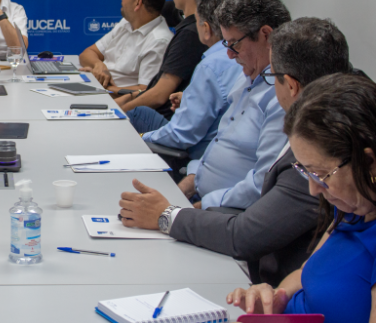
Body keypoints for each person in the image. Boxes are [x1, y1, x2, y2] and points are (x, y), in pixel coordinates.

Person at [119, 18, 351, 287]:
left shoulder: (319, 153)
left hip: (261, 270)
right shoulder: (336, 118)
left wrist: (167, 215)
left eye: (271, 77)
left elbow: (246, 235)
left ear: (291, 85)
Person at [224, 74, 376, 323]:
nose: (313, 189)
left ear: (369, 162)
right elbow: (305, 273)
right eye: (306, 172)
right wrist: (275, 300)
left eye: (321, 174)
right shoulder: (354, 208)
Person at [131, 0, 292, 211]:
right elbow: (220, 142)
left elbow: (261, 185)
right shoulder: (247, 77)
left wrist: (191, 210)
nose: (229, 54)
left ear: (265, 35)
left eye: (234, 44)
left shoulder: (283, 97)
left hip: (223, 212)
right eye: (226, 44)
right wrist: (188, 185)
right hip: (199, 192)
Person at [140, 0, 242, 158]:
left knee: (137, 116)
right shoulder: (244, 57)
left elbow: (181, 135)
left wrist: (141, 137)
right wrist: (191, 99)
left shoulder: (211, 66)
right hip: (228, 151)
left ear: (206, 29)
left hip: (197, 157)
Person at [120, 0, 218, 124]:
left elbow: (159, 95)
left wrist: (119, 112)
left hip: (165, 121)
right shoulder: (200, 26)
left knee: (133, 114)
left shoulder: (190, 34)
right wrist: (127, 98)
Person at [78, 0, 173, 92]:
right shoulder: (126, 23)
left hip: (112, 98)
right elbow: (88, 53)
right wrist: (99, 66)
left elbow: (144, 91)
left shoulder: (159, 41)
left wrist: (101, 86)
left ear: (138, 2)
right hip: (98, 89)